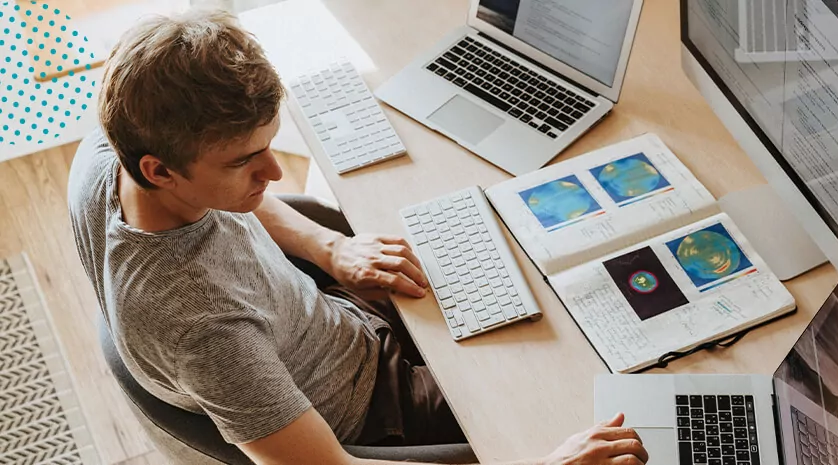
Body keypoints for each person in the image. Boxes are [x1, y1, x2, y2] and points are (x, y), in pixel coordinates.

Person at [67, 9, 650, 465]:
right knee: (603, 404)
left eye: (270, 146)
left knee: (540, 278)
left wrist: (331, 249)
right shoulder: (201, 327)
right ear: (158, 170)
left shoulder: (112, 152)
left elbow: (241, 201)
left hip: (332, 321)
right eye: (245, 162)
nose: (272, 175)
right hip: (373, 407)